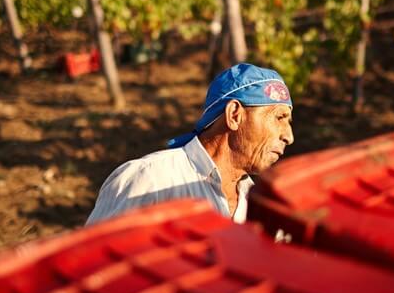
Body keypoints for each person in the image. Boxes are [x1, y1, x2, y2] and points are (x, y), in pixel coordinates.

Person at [86, 63, 294, 225]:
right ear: (234, 115)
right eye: (279, 118)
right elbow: (91, 265)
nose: (289, 136)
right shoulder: (150, 180)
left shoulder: (260, 208)